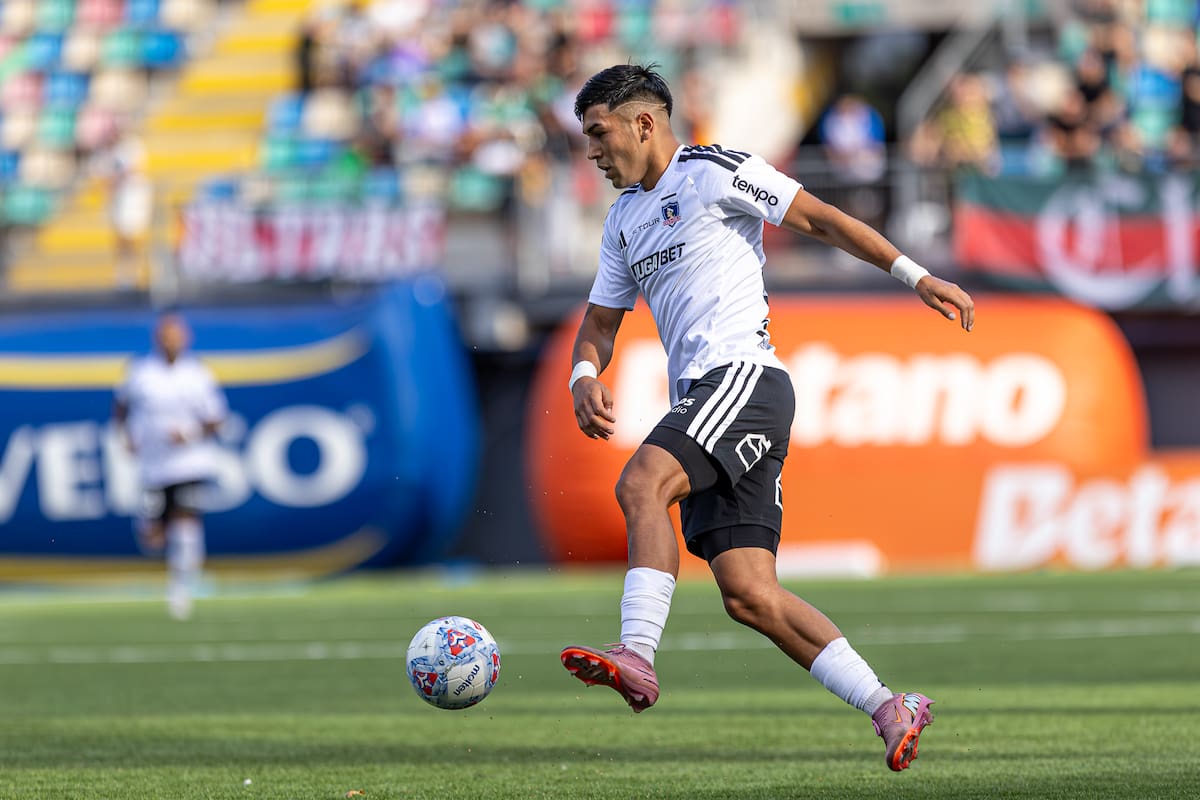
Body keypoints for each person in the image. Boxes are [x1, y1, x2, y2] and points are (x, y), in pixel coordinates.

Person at [558, 64, 974, 772]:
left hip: (744, 378)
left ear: (644, 123)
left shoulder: (715, 171)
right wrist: (583, 374)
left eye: (599, 134)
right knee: (748, 593)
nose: (593, 152)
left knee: (640, 485)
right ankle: (888, 705)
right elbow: (601, 320)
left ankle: (636, 651)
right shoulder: (625, 219)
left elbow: (820, 218)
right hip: (706, 395)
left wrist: (917, 275)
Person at [113, 313, 227, 620]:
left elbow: (217, 419)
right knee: (151, 536)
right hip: (152, 465)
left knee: (186, 522)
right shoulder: (140, 372)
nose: (171, 341)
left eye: (176, 335)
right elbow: (121, 408)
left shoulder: (198, 374)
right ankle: (178, 566)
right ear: (157, 338)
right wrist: (126, 437)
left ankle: (182, 588)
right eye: (166, 335)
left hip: (189, 462)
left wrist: (189, 434)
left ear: (186, 338)